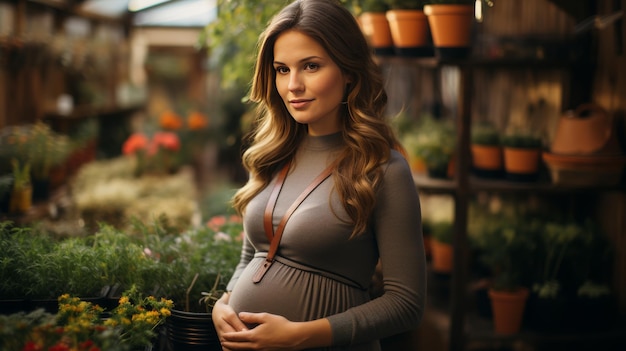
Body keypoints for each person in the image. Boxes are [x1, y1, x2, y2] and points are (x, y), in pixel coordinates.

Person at [211, 0, 426, 350]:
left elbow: (407, 304)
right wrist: (224, 303)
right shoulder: (273, 155)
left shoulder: (383, 169)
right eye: (282, 69)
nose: (293, 85)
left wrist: (300, 336)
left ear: (349, 72)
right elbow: (253, 257)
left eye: (310, 66)